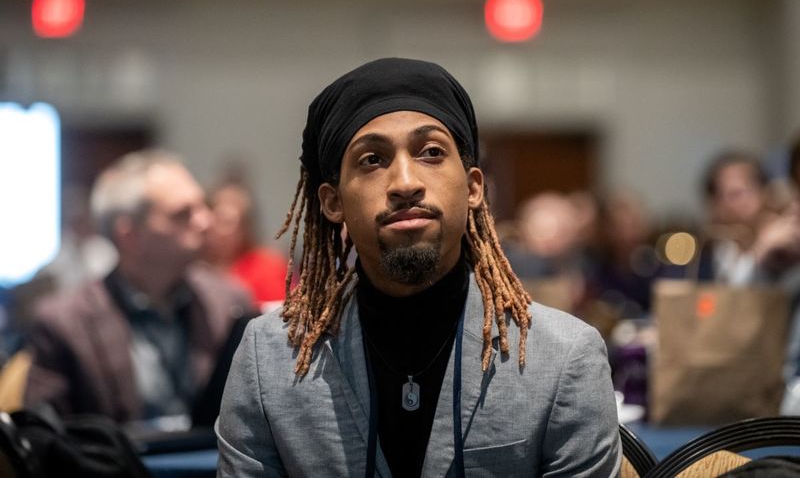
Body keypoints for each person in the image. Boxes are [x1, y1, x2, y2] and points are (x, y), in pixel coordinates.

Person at [216, 58, 620, 477]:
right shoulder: (269, 358)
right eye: (372, 160)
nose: (405, 182)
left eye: (431, 152)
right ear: (333, 202)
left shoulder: (563, 357)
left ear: (473, 188)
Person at [24, 150, 252, 423]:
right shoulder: (65, 322)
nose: (205, 221)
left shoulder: (230, 303)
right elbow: (44, 441)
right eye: (182, 214)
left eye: (203, 206)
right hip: (121, 465)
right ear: (129, 234)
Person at [204, 179, 288, 312]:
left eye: (228, 222)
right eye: (215, 220)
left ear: (245, 227)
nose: (220, 230)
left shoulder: (268, 266)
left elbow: (281, 314)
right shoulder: (194, 268)